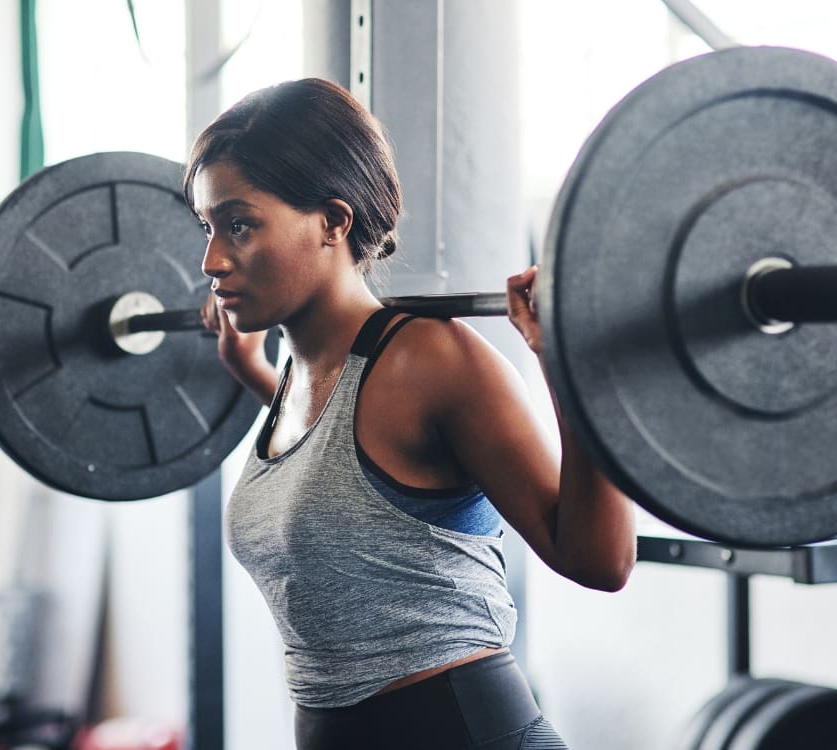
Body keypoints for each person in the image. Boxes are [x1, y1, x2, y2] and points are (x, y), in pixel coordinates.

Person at [186, 77, 636, 750]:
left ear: (333, 222)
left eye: (240, 225)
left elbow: (601, 560)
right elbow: (342, 481)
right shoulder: (296, 378)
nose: (212, 261)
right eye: (208, 227)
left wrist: (574, 367)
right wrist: (253, 373)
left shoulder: (431, 360)